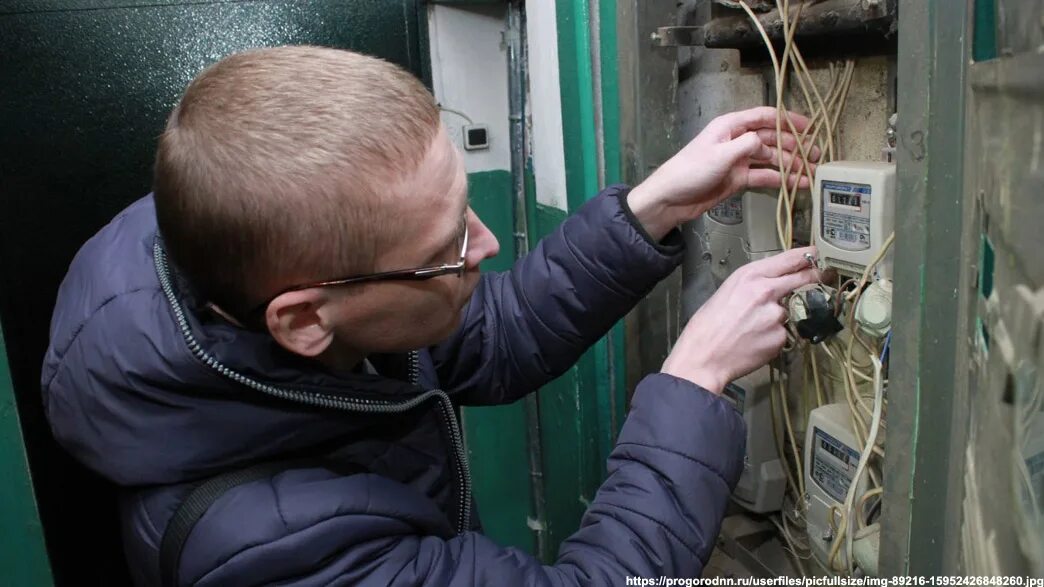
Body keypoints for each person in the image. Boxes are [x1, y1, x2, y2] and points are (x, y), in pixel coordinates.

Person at [43, 46, 819, 586]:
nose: (483, 247)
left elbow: (491, 335)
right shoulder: (267, 553)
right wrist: (693, 378)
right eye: (446, 247)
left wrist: (654, 205)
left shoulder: (235, 240)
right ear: (305, 319)